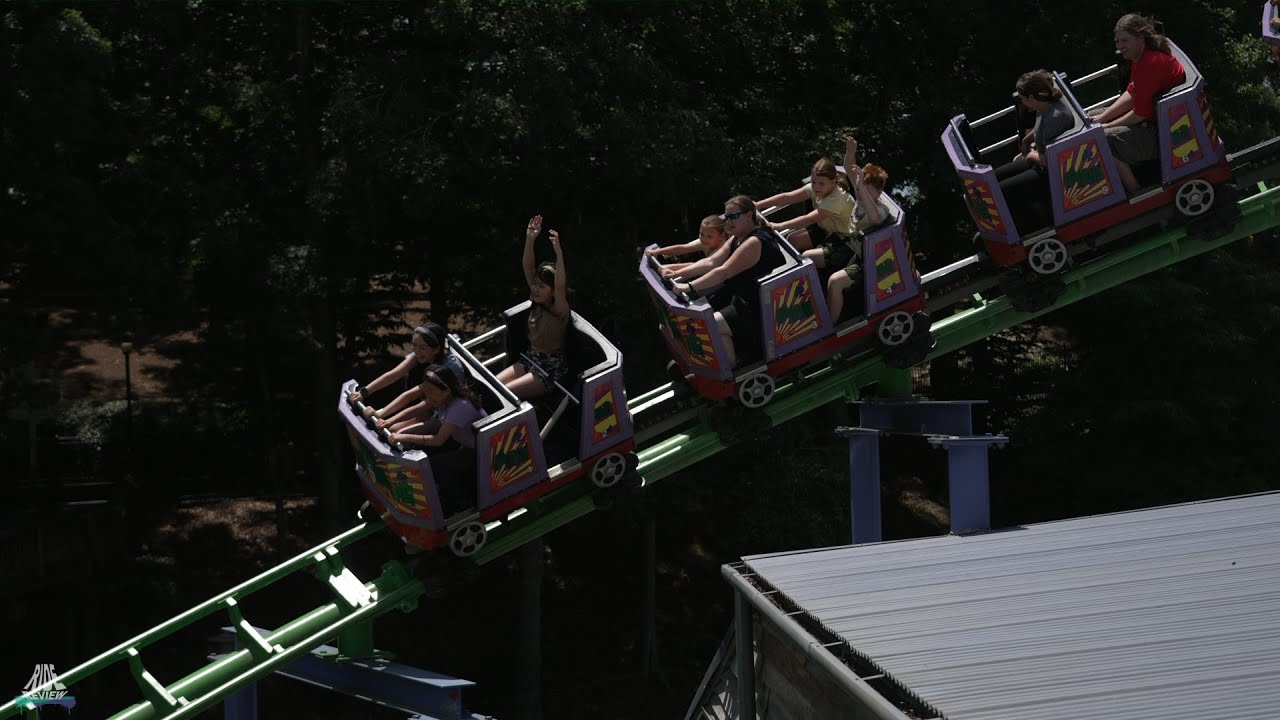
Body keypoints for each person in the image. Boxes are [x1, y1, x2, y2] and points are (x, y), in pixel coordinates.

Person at [670, 195, 785, 367]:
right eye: (727, 217)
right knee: (700, 316)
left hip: (759, 307)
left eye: (734, 216)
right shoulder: (737, 238)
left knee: (709, 326)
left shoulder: (754, 242)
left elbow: (723, 272)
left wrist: (689, 287)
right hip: (742, 299)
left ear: (749, 215)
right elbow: (711, 262)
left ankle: (732, 371)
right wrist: (675, 272)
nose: (729, 222)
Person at [1090, 13, 1185, 193]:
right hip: (1156, 119)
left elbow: (1140, 113)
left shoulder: (1151, 63)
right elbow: (1132, 93)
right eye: (1117, 42)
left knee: (1100, 141)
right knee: (1092, 116)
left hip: (1165, 132)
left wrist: (1107, 126)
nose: (1120, 47)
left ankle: (1135, 191)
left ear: (1140, 38)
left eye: (1124, 41)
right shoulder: (1140, 58)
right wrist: (1101, 118)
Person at [497, 215, 570, 400]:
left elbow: (560, 285)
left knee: (505, 395)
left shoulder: (559, 309)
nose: (535, 290)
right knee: (494, 385)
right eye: (535, 285)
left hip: (549, 369)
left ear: (552, 291)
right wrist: (530, 239)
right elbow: (528, 267)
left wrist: (559, 253)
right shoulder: (536, 301)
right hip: (530, 358)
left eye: (541, 287)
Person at [994, 70, 1076, 233]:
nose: (1023, 103)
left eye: (1024, 99)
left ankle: (1030, 230)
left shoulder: (1056, 117)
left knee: (1003, 191)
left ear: (1031, 97)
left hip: (1053, 173)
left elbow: (1048, 161)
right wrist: (1026, 141)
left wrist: (1029, 154)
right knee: (994, 179)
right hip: (1041, 160)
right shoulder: (1044, 106)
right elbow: (1039, 130)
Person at [826, 138, 896, 323]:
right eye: (858, 188)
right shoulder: (861, 195)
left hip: (871, 263)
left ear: (879, 193)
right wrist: (851, 150)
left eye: (866, 189)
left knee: (835, 282)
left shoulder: (880, 208)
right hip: (856, 252)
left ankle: (830, 328)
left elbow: (875, 218)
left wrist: (861, 187)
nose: (859, 192)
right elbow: (848, 166)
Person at [350, 323, 467, 424]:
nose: (416, 351)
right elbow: (393, 374)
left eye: (422, 348)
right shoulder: (422, 355)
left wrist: (382, 415)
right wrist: (364, 392)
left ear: (436, 349)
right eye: (414, 345)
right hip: (430, 407)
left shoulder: (446, 369)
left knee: (395, 429)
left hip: (446, 413)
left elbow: (416, 399)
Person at [756, 157, 857, 252]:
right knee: (792, 239)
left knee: (808, 255)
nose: (816, 187)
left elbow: (809, 219)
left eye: (821, 184)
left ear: (833, 182)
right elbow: (787, 198)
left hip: (847, 240)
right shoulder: (815, 189)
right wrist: (758, 204)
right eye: (813, 182)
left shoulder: (836, 198)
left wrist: (779, 226)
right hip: (828, 230)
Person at [385, 364, 487, 450]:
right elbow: (414, 410)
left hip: (480, 452)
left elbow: (438, 440)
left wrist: (405, 437)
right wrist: (389, 422)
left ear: (446, 390)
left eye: (431, 391)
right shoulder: (442, 398)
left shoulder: (459, 407)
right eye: (426, 391)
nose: (428, 396)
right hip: (460, 442)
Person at [643, 215, 730, 277]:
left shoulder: (723, 249)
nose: (703, 239)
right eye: (701, 234)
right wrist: (657, 252)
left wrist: (668, 268)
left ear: (721, 236)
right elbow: (683, 248)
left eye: (709, 236)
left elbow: (700, 266)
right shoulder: (706, 241)